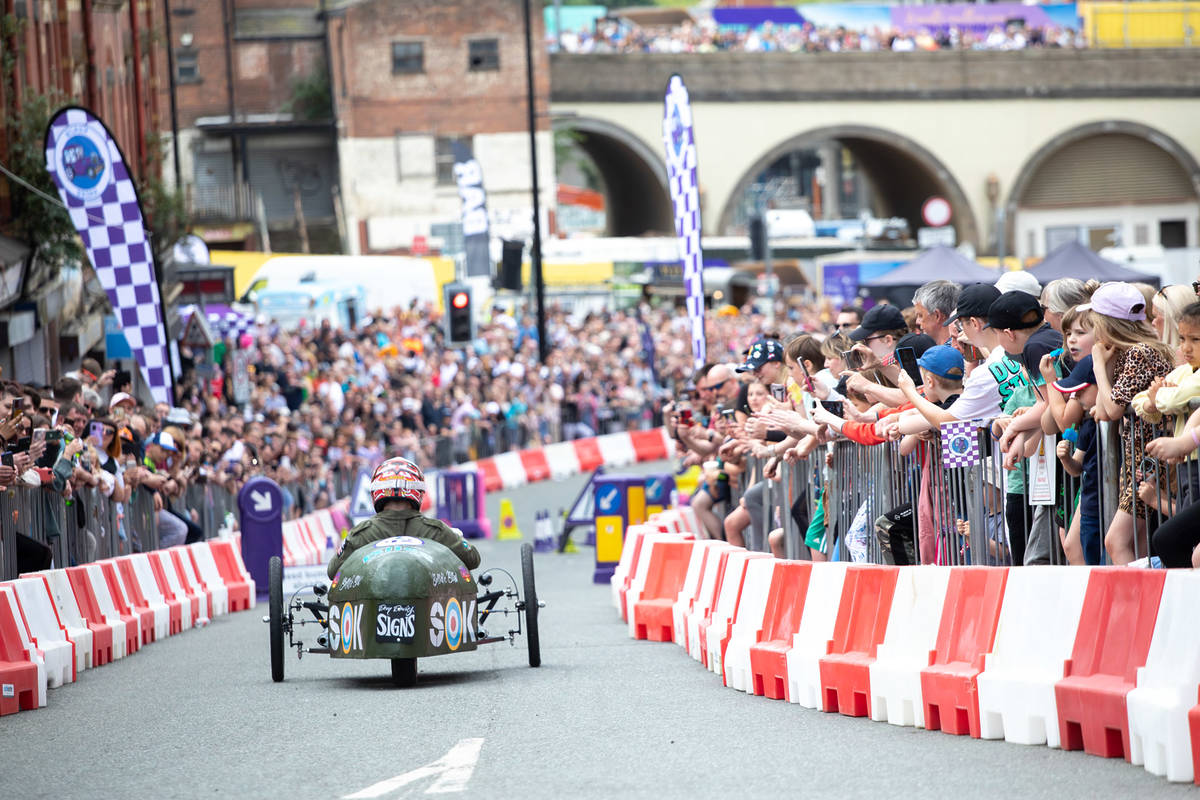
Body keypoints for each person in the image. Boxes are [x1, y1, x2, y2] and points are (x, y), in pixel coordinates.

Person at [326, 456, 480, 579]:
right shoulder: (437, 531)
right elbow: (473, 559)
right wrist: (456, 538)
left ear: (376, 492)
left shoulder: (361, 534)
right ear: (417, 492)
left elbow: (333, 571)